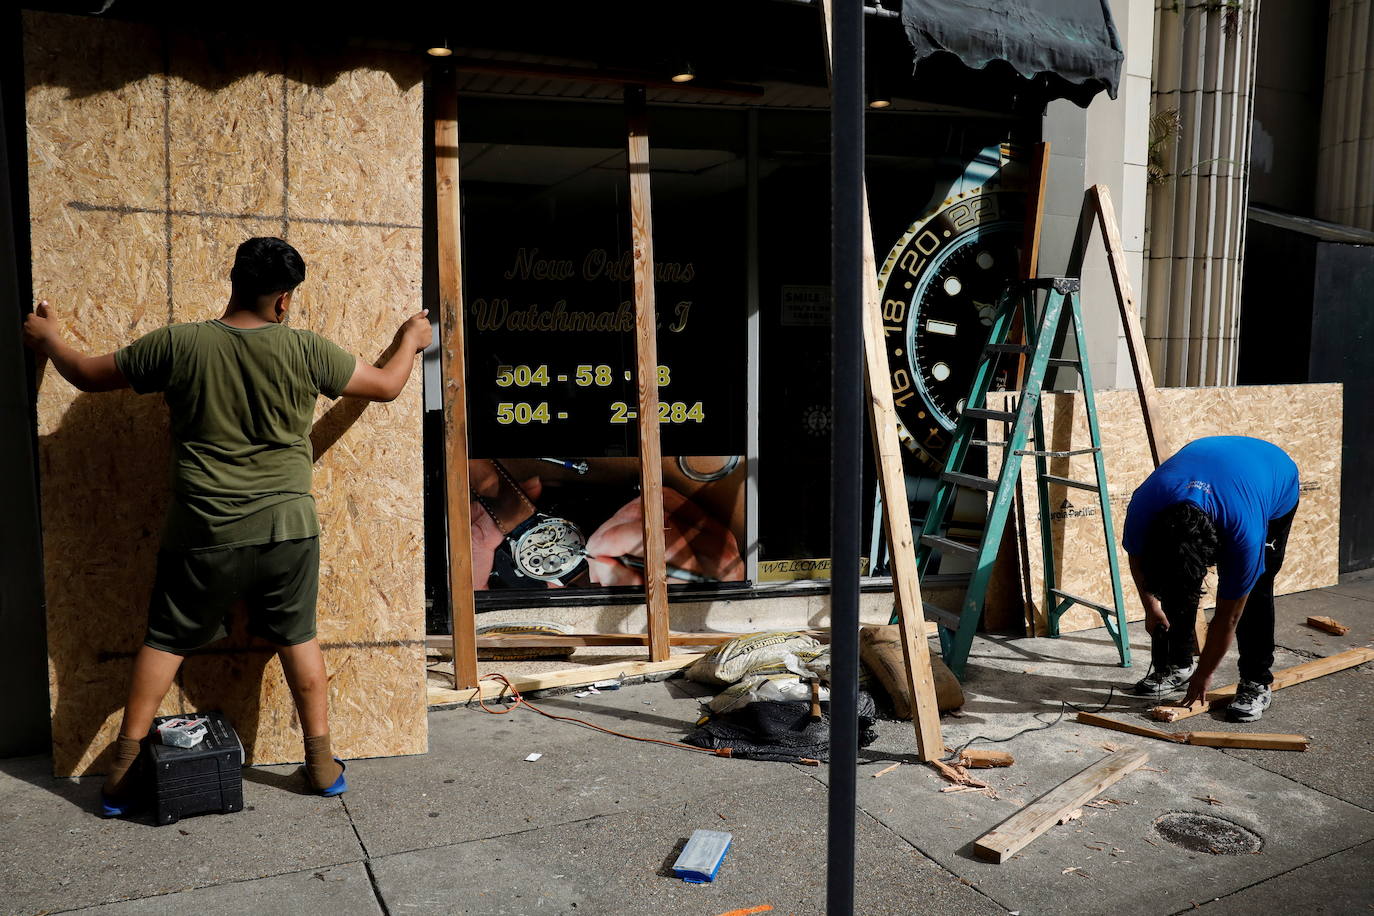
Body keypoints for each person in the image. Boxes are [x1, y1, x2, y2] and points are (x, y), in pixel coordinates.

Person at [22, 237, 432, 815]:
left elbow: (88, 375)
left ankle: (118, 770)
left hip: (203, 531)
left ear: (233, 280)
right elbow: (387, 387)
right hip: (288, 530)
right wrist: (409, 341)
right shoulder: (307, 350)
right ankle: (320, 765)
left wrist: (49, 340)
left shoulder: (180, 343)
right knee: (298, 637)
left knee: (166, 639)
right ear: (284, 300)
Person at [1122, 436, 1299, 722]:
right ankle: (1179, 663)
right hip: (1220, 471)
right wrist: (1151, 606)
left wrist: (1205, 675)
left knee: (1255, 589)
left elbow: (1227, 619)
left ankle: (1256, 681)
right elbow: (1138, 557)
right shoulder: (1145, 507)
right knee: (1176, 581)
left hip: (1272, 474)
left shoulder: (1244, 534)